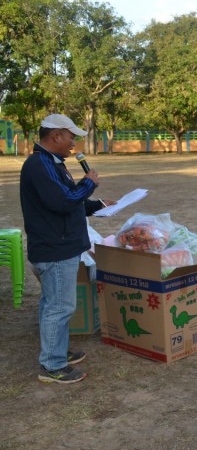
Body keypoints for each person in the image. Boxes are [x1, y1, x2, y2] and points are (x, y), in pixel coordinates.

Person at [20, 114, 115, 384]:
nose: (74, 143)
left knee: (53, 304)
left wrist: (98, 204)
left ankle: (58, 350)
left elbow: (71, 202)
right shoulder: (39, 165)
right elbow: (62, 201)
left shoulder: (52, 163)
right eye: (71, 137)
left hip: (60, 247)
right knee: (59, 307)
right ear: (56, 136)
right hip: (55, 250)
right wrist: (88, 183)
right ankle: (53, 365)